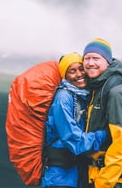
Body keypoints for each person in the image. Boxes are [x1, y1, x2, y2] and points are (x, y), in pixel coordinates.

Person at [43, 52, 107, 188]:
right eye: (72, 71)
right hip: (60, 178)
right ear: (64, 75)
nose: (79, 74)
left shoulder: (82, 96)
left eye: (81, 68)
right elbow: (73, 139)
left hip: (75, 173)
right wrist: (105, 135)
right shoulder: (63, 98)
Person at [80, 38, 122, 188]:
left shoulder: (116, 92)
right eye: (87, 58)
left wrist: (104, 183)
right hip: (99, 175)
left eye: (96, 58)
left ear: (108, 61)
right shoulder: (98, 87)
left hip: (114, 180)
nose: (90, 63)